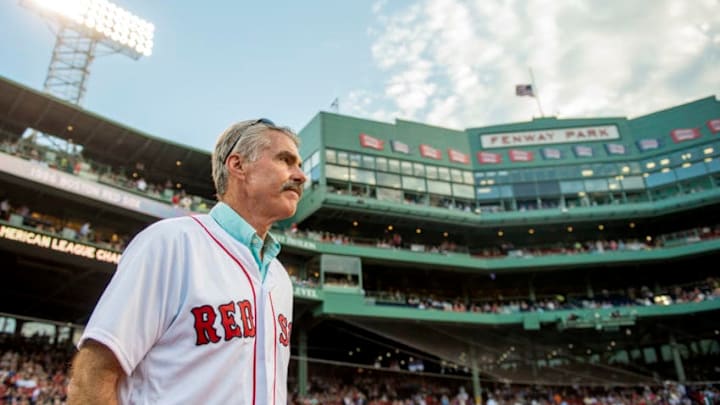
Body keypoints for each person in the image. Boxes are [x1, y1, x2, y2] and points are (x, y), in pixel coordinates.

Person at [67, 118, 306, 404]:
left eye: (299, 165)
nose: (300, 175)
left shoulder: (279, 277)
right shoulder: (170, 243)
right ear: (238, 165)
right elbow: (93, 375)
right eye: (285, 160)